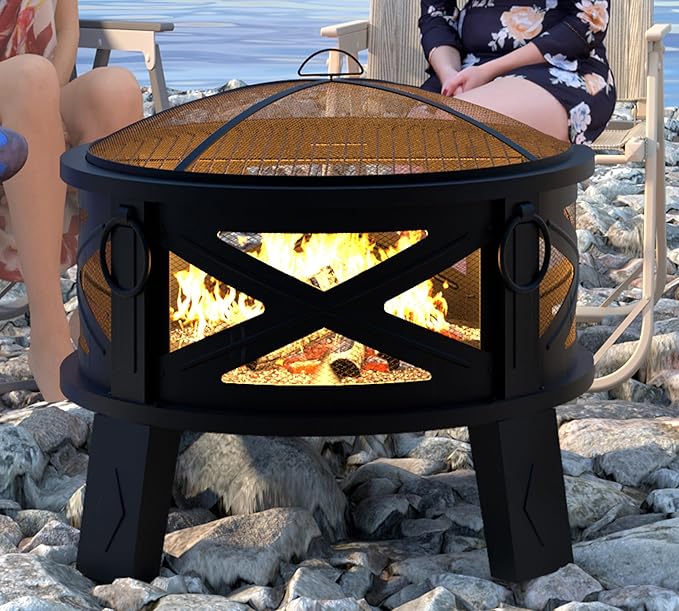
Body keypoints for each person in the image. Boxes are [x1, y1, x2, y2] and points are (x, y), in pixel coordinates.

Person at [0, 0, 143, 401]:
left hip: (31, 96)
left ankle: (95, 319)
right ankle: (48, 337)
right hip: (18, 89)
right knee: (30, 77)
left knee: (115, 90)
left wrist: (47, 99)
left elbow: (67, 31)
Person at [419, 0, 616, 144]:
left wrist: (487, 71)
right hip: (468, 70)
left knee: (448, 127)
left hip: (558, 66)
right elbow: (436, 14)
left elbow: (590, 19)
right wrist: (449, 74)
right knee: (409, 133)